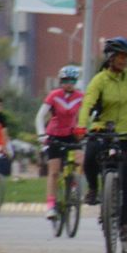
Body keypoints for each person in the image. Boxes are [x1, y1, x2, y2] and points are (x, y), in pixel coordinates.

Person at [79, 37, 127, 231]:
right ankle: (93, 188)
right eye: (120, 56)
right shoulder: (100, 80)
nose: (124, 60)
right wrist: (81, 125)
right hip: (103, 130)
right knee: (89, 158)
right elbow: (87, 103)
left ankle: (125, 224)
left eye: (126, 57)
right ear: (110, 57)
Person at [35, 65, 86, 220]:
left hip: (72, 134)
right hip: (54, 135)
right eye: (65, 80)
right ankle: (50, 205)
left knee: (79, 160)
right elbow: (40, 116)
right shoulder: (54, 95)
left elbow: (89, 113)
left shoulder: (80, 96)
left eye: (72, 80)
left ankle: (75, 186)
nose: (68, 83)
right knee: (54, 171)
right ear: (60, 80)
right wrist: (41, 134)